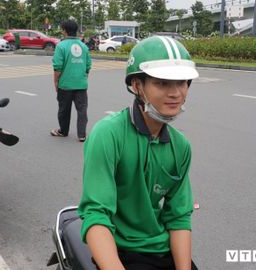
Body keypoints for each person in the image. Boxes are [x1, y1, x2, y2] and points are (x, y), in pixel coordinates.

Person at [78, 36, 200, 270]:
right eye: (162, 83)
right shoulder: (108, 134)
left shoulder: (180, 146)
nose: (175, 93)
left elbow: (178, 217)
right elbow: (96, 214)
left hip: (161, 248)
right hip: (121, 249)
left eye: (182, 82)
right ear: (137, 86)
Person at [50, 20, 92, 142]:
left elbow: (57, 67)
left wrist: (56, 82)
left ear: (64, 30)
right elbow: (88, 66)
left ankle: (63, 131)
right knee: (82, 110)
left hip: (65, 85)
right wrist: (82, 79)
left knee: (64, 109)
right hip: (81, 85)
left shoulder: (61, 46)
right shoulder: (83, 46)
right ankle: (82, 135)